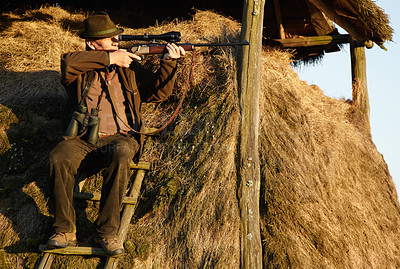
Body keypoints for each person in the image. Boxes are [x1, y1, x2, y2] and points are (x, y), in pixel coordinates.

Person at [46, 11, 185, 256]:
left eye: (116, 38)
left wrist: (169, 63)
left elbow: (157, 94)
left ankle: (107, 233)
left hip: (119, 137)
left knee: (122, 154)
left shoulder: (130, 66)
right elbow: (68, 63)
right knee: (58, 158)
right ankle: (63, 230)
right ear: (91, 43)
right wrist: (110, 58)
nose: (116, 42)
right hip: (81, 139)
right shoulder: (80, 67)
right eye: (110, 39)